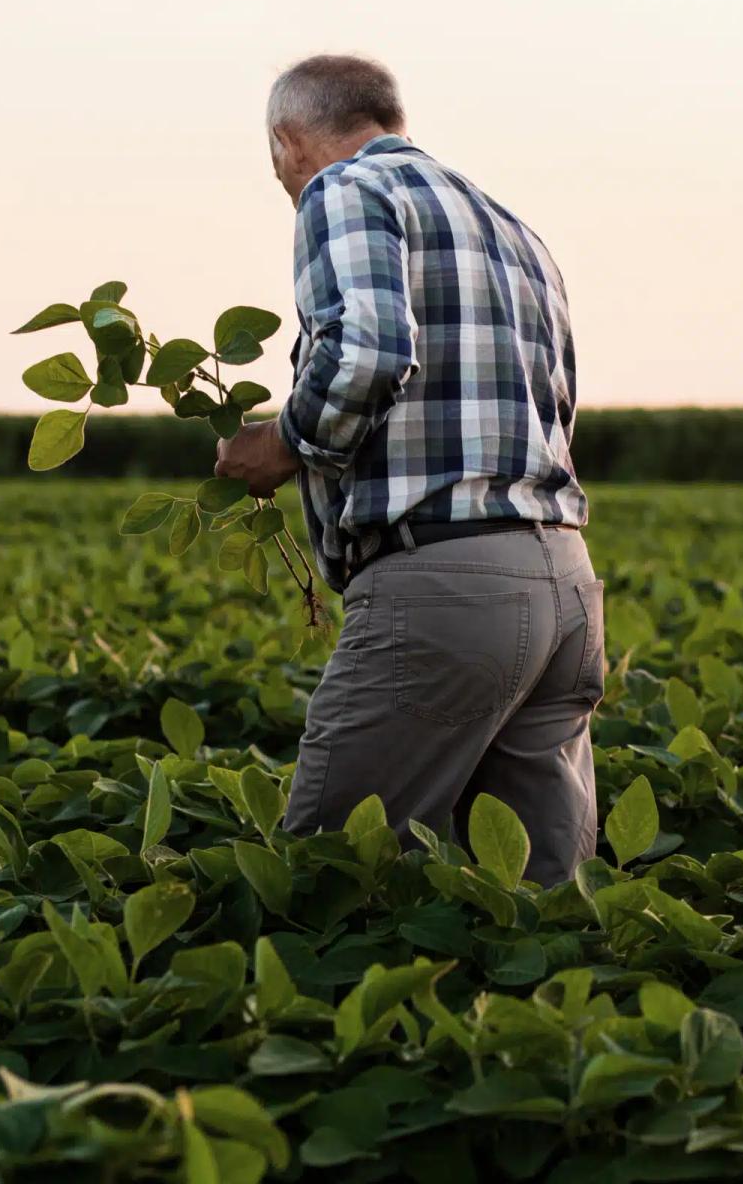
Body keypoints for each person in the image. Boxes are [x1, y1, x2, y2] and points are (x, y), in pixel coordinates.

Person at [213, 54, 601, 886]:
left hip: (447, 586)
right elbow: (559, 403)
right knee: (534, 899)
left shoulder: (345, 190)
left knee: (333, 878)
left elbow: (372, 350)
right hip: (565, 583)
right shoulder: (511, 227)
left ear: (287, 141)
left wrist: (281, 443)